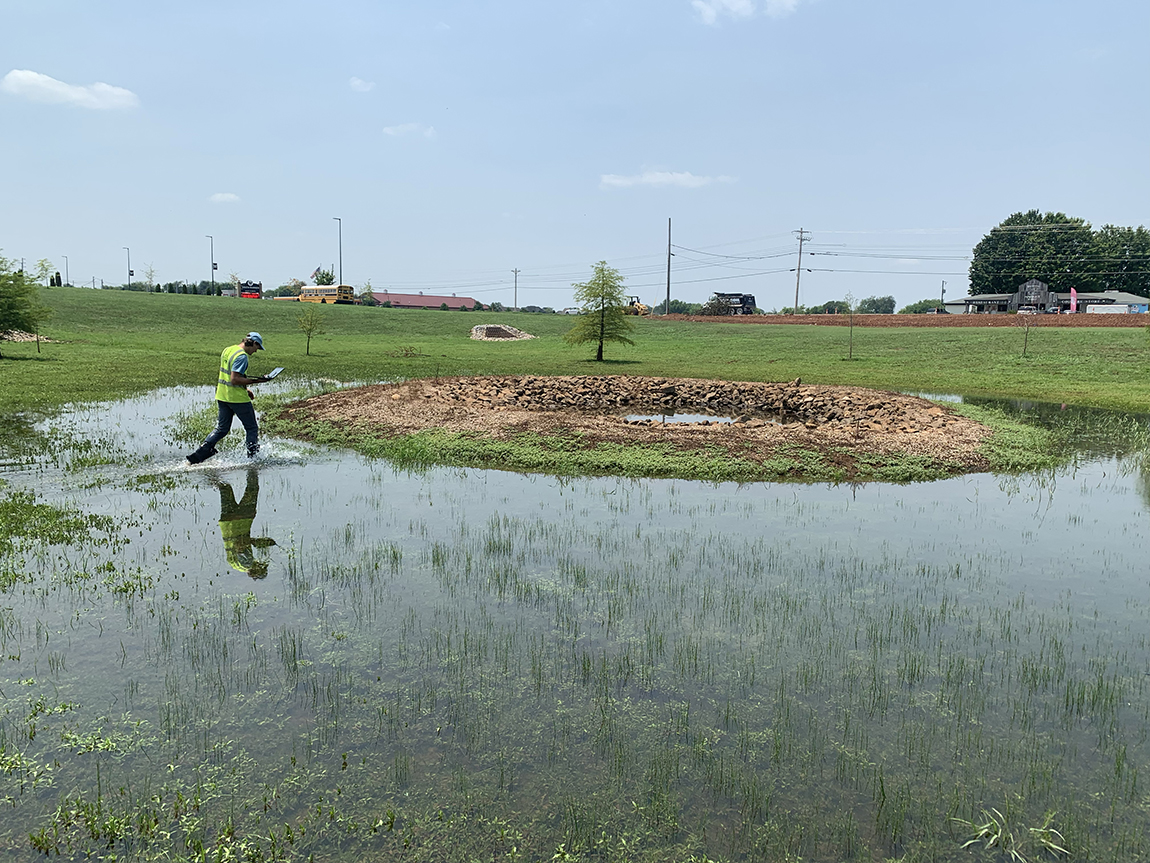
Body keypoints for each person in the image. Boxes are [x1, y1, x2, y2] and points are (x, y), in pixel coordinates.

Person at [186, 332, 270, 463]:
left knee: (222, 429)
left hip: (222, 396)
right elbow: (235, 379)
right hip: (237, 399)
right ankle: (253, 458)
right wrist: (257, 381)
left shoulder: (228, 350)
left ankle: (200, 453)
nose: (256, 351)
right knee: (251, 428)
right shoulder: (242, 356)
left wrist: (246, 388)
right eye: (257, 348)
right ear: (254, 343)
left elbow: (228, 375)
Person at [215, 468, 276, 578]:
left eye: (261, 567)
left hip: (243, 518)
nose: (260, 563)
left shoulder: (247, 563)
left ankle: (252, 467)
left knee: (252, 489)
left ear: (258, 569)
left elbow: (239, 545)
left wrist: (258, 542)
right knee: (225, 487)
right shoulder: (236, 566)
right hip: (226, 521)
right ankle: (210, 473)